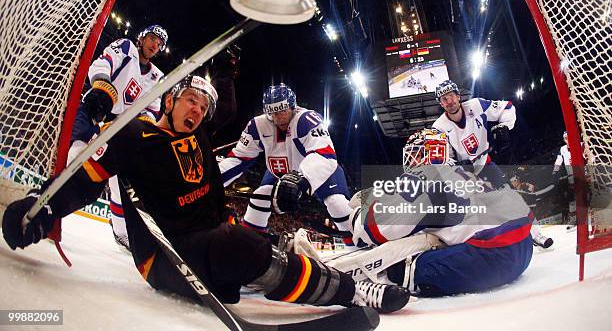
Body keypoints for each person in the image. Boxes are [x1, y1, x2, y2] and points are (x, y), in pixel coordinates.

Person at [2, 75, 410, 313]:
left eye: (203, 107)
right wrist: (42, 208)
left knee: (251, 239)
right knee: (241, 244)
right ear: (169, 99)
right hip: (167, 258)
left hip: (208, 242)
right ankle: (350, 292)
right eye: (191, 100)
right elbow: (84, 178)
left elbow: (218, 181)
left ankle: (315, 272)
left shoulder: (198, 135)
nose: (197, 111)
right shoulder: (132, 134)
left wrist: (294, 184)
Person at [321, 129, 534, 296]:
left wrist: (360, 212)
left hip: (494, 257)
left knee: (400, 267)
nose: (409, 162)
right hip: (524, 248)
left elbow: (376, 231)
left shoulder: (425, 174)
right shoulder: (468, 171)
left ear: (426, 152)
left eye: (413, 154)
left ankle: (367, 289)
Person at [66, 24, 169, 249]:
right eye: (152, 38)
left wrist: (143, 130)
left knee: (117, 179)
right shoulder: (126, 46)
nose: (155, 45)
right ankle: (53, 203)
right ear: (142, 38)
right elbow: (103, 63)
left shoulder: (157, 77)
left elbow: (151, 109)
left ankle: (121, 231)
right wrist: (102, 88)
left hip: (118, 125)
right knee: (76, 154)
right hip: (98, 105)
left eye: (159, 44)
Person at [218, 83, 354, 243]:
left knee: (336, 204)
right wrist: (211, 179)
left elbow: (325, 155)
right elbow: (238, 159)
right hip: (279, 173)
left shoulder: (306, 119)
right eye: (273, 112)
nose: (278, 117)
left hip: (318, 172)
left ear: (293, 107)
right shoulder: (257, 126)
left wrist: (301, 180)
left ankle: (359, 245)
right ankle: (249, 244)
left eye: (282, 110)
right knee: (259, 197)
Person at [433, 80, 553, 249]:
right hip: (461, 175)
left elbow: (508, 107)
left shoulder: (476, 105)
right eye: (444, 99)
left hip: (484, 164)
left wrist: (504, 126)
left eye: (451, 96)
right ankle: (481, 249)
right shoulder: (438, 127)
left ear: (458, 96)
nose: (449, 101)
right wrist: (457, 165)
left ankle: (536, 234)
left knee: (511, 198)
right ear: (441, 103)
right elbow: (441, 158)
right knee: (471, 213)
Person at [553, 131, 576, 225]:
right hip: (572, 178)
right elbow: (559, 160)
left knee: (588, 194)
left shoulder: (580, 144)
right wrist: (555, 170)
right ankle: (573, 220)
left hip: (584, 174)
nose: (567, 139)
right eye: (566, 138)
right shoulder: (562, 149)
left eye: (568, 137)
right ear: (564, 139)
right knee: (573, 198)